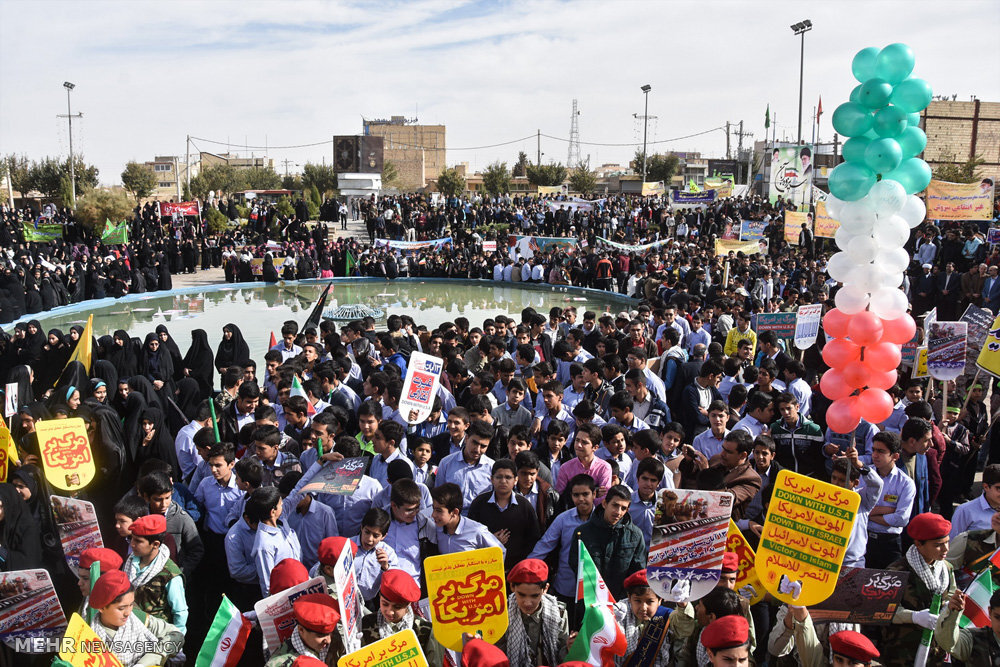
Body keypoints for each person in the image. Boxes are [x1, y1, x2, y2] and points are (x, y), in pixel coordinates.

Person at [880, 512, 964, 665]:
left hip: (936, 647)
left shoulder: (946, 568)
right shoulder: (897, 572)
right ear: (918, 544)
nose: (945, 549)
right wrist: (914, 617)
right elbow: (884, 610)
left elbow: (949, 594)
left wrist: (949, 607)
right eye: (938, 545)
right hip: (902, 649)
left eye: (947, 542)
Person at [88, 570, 184, 667]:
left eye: (131, 605)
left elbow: (176, 635)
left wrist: (146, 662)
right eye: (121, 608)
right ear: (101, 607)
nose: (128, 612)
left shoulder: (137, 619)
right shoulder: (88, 634)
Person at [570, 484, 645, 599]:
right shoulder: (583, 533)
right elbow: (576, 565)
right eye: (615, 505)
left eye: (623, 508)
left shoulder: (635, 535)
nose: (618, 512)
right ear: (605, 503)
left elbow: (637, 571)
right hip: (590, 600)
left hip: (621, 602)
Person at [122, 513, 188, 635]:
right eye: (132, 539)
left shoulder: (170, 574)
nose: (132, 544)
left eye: (138, 541)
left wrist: (176, 641)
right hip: (128, 630)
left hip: (155, 635)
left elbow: (180, 612)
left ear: (155, 544)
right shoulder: (129, 562)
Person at [468, 459, 540, 570]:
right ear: (491, 479)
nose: (503, 481)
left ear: (516, 480)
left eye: (508, 477)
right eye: (499, 477)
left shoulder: (525, 506)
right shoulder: (479, 503)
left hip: (516, 569)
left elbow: (533, 539)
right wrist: (492, 541)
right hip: (484, 567)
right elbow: (469, 536)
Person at [497, 559, 570, 667]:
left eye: (534, 596)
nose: (527, 603)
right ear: (512, 587)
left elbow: (561, 657)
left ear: (545, 589)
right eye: (521, 595)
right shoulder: (502, 613)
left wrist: (569, 649)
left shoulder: (558, 613)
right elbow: (497, 654)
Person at [360, 569, 442, 663]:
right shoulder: (366, 624)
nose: (390, 612)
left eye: (397, 607)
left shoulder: (425, 630)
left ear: (408, 605)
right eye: (385, 604)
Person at [265, 593, 346, 666]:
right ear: (301, 630)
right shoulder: (279, 663)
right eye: (320, 636)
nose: (328, 641)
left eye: (330, 633)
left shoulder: (335, 637)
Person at [613, 569, 671, 667]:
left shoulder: (664, 616)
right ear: (629, 598)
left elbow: (683, 626)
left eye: (650, 602)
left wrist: (683, 606)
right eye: (638, 601)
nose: (643, 608)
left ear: (660, 600)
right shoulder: (620, 612)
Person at [951, 589, 1000, 664]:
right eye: (998, 617)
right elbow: (949, 642)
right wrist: (952, 614)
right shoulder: (973, 638)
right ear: (990, 612)